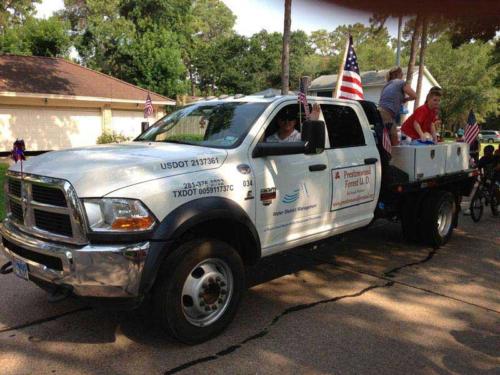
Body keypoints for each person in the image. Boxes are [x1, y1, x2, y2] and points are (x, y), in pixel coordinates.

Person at [378, 66, 417, 145]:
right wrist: (406, 99)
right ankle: (395, 157)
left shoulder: (387, 85)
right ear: (400, 74)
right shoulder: (401, 82)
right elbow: (414, 96)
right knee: (394, 142)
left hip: (378, 112)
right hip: (387, 114)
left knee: (384, 141)